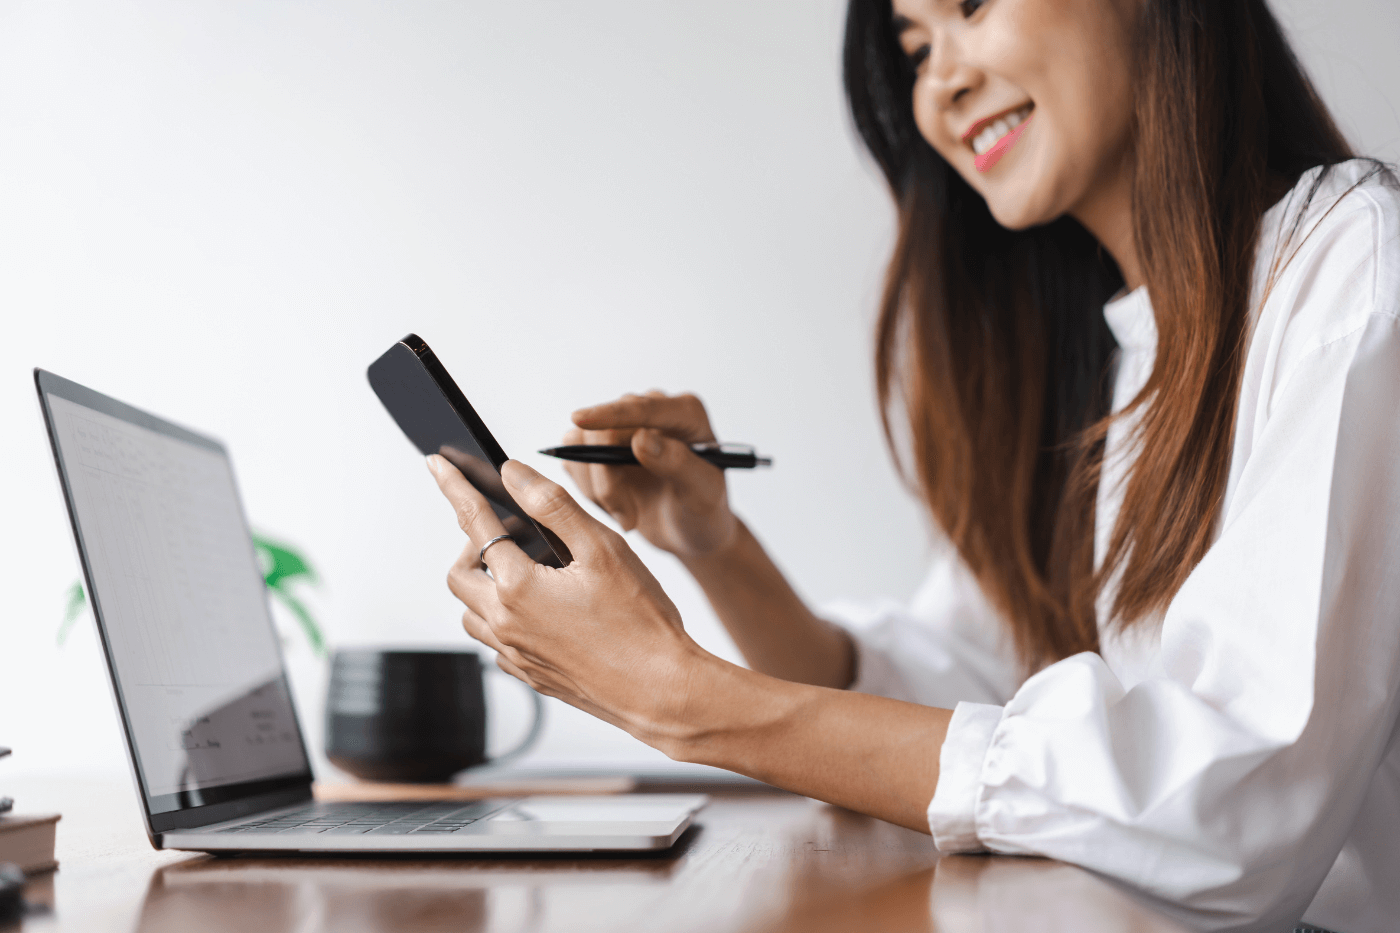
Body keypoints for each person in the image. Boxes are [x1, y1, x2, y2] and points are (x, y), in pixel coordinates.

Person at [424, 0, 1400, 929]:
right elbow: (954, 691)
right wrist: (714, 546)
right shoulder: (1094, 365)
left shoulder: (1349, 265)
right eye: (915, 50)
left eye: (969, 8)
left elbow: (1236, 800)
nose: (940, 84)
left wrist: (679, 699)